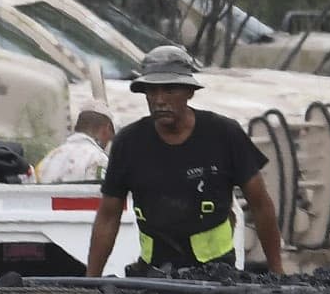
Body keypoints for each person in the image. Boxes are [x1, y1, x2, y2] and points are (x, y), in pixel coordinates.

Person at [86, 45, 284, 277]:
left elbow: (260, 204)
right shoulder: (129, 143)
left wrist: (276, 271)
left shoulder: (224, 135)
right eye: (152, 91)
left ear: (189, 92)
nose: (159, 100)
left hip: (216, 273)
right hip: (154, 273)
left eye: (169, 90)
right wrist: (91, 280)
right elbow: (109, 215)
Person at [32, 99, 115, 183]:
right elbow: (99, 193)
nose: (107, 143)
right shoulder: (98, 159)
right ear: (106, 128)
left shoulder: (50, 157)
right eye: (109, 139)